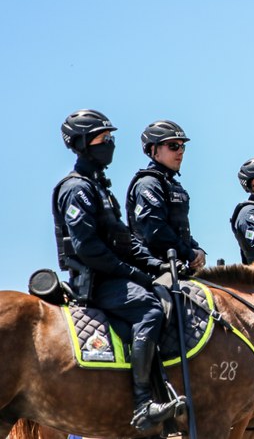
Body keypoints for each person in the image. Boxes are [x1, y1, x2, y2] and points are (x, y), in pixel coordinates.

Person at [53, 109, 182, 430]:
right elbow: (88, 248)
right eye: (102, 139)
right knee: (150, 309)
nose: (109, 144)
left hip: (112, 275)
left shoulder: (98, 188)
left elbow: (125, 241)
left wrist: (157, 266)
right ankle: (142, 402)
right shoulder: (77, 189)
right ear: (83, 144)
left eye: (110, 138)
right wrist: (134, 274)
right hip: (94, 281)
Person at [126, 120, 205, 270]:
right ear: (154, 149)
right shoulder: (148, 184)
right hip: (152, 270)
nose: (180, 151)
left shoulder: (173, 184)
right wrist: (189, 253)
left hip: (176, 267)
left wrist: (197, 250)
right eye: (173, 146)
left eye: (182, 146)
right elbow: (156, 231)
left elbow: (178, 230)